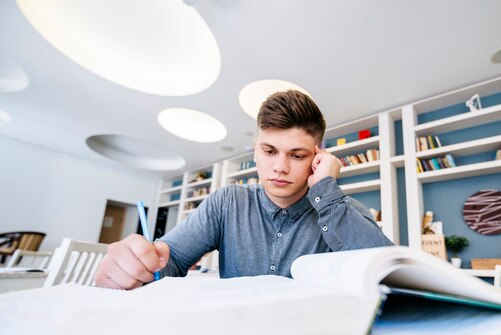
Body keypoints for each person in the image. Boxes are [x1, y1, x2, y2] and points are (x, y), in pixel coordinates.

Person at [95, 90, 394, 289]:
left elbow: (390, 275)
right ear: (255, 151)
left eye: (297, 155)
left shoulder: (341, 210)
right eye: (269, 151)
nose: (279, 167)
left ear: (318, 158)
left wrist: (327, 193)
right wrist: (140, 264)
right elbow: (169, 261)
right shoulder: (228, 202)